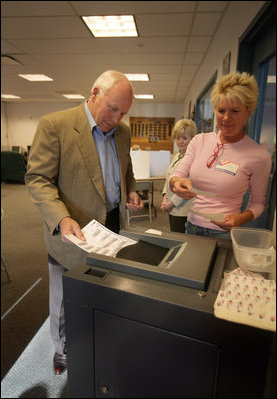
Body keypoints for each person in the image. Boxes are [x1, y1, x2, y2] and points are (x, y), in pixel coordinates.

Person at [25, 70, 144, 375]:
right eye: (112, 108)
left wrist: (130, 188)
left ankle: (100, 335)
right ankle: (62, 350)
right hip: (70, 230)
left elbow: (125, 167)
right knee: (64, 299)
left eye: (123, 112)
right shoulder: (56, 125)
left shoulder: (124, 132)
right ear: (94, 94)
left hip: (112, 227)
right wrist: (61, 217)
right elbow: (38, 179)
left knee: (105, 286)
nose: (117, 118)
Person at [169, 71, 271, 239]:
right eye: (221, 110)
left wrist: (241, 218)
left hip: (224, 233)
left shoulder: (258, 156)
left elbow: (258, 203)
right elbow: (177, 174)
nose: (226, 118)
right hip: (192, 227)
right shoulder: (199, 141)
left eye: (235, 111)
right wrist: (177, 183)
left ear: (248, 112)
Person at [161, 119, 197, 232]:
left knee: (181, 239)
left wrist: (171, 203)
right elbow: (168, 177)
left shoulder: (194, 158)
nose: (180, 141)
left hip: (183, 210)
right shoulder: (177, 156)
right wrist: (165, 197)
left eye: (185, 138)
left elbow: (189, 187)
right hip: (171, 207)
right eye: (178, 138)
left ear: (192, 139)